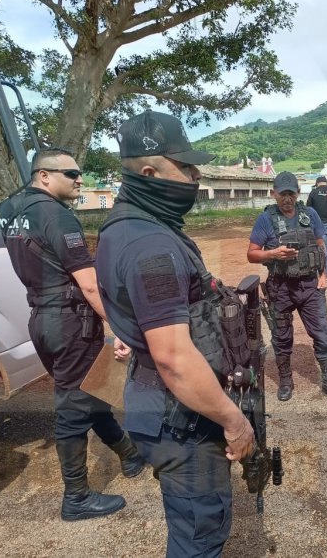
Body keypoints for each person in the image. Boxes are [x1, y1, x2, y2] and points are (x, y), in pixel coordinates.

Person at [95, 110, 254, 557]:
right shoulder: (151, 245)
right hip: (178, 415)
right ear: (150, 171)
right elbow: (174, 359)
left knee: (190, 526)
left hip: (159, 401)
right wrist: (235, 421)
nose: (194, 175)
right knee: (199, 537)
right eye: (184, 166)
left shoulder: (128, 225)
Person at [0, 147, 145, 522]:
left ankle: (128, 454)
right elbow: (90, 284)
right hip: (70, 321)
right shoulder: (58, 217)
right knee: (72, 407)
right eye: (71, 173)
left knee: (90, 389)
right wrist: (119, 326)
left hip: (42, 320)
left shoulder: (13, 210)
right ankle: (76, 497)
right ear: (44, 176)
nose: (80, 179)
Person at [247, 171, 327, 404]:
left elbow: (321, 246)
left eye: (291, 193)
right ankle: (285, 381)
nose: (287, 199)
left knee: (323, 334)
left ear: (298, 193)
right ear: (274, 194)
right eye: (282, 194)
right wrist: (272, 254)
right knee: (281, 337)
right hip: (280, 288)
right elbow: (251, 254)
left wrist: (323, 275)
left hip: (311, 286)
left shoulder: (310, 214)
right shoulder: (265, 219)